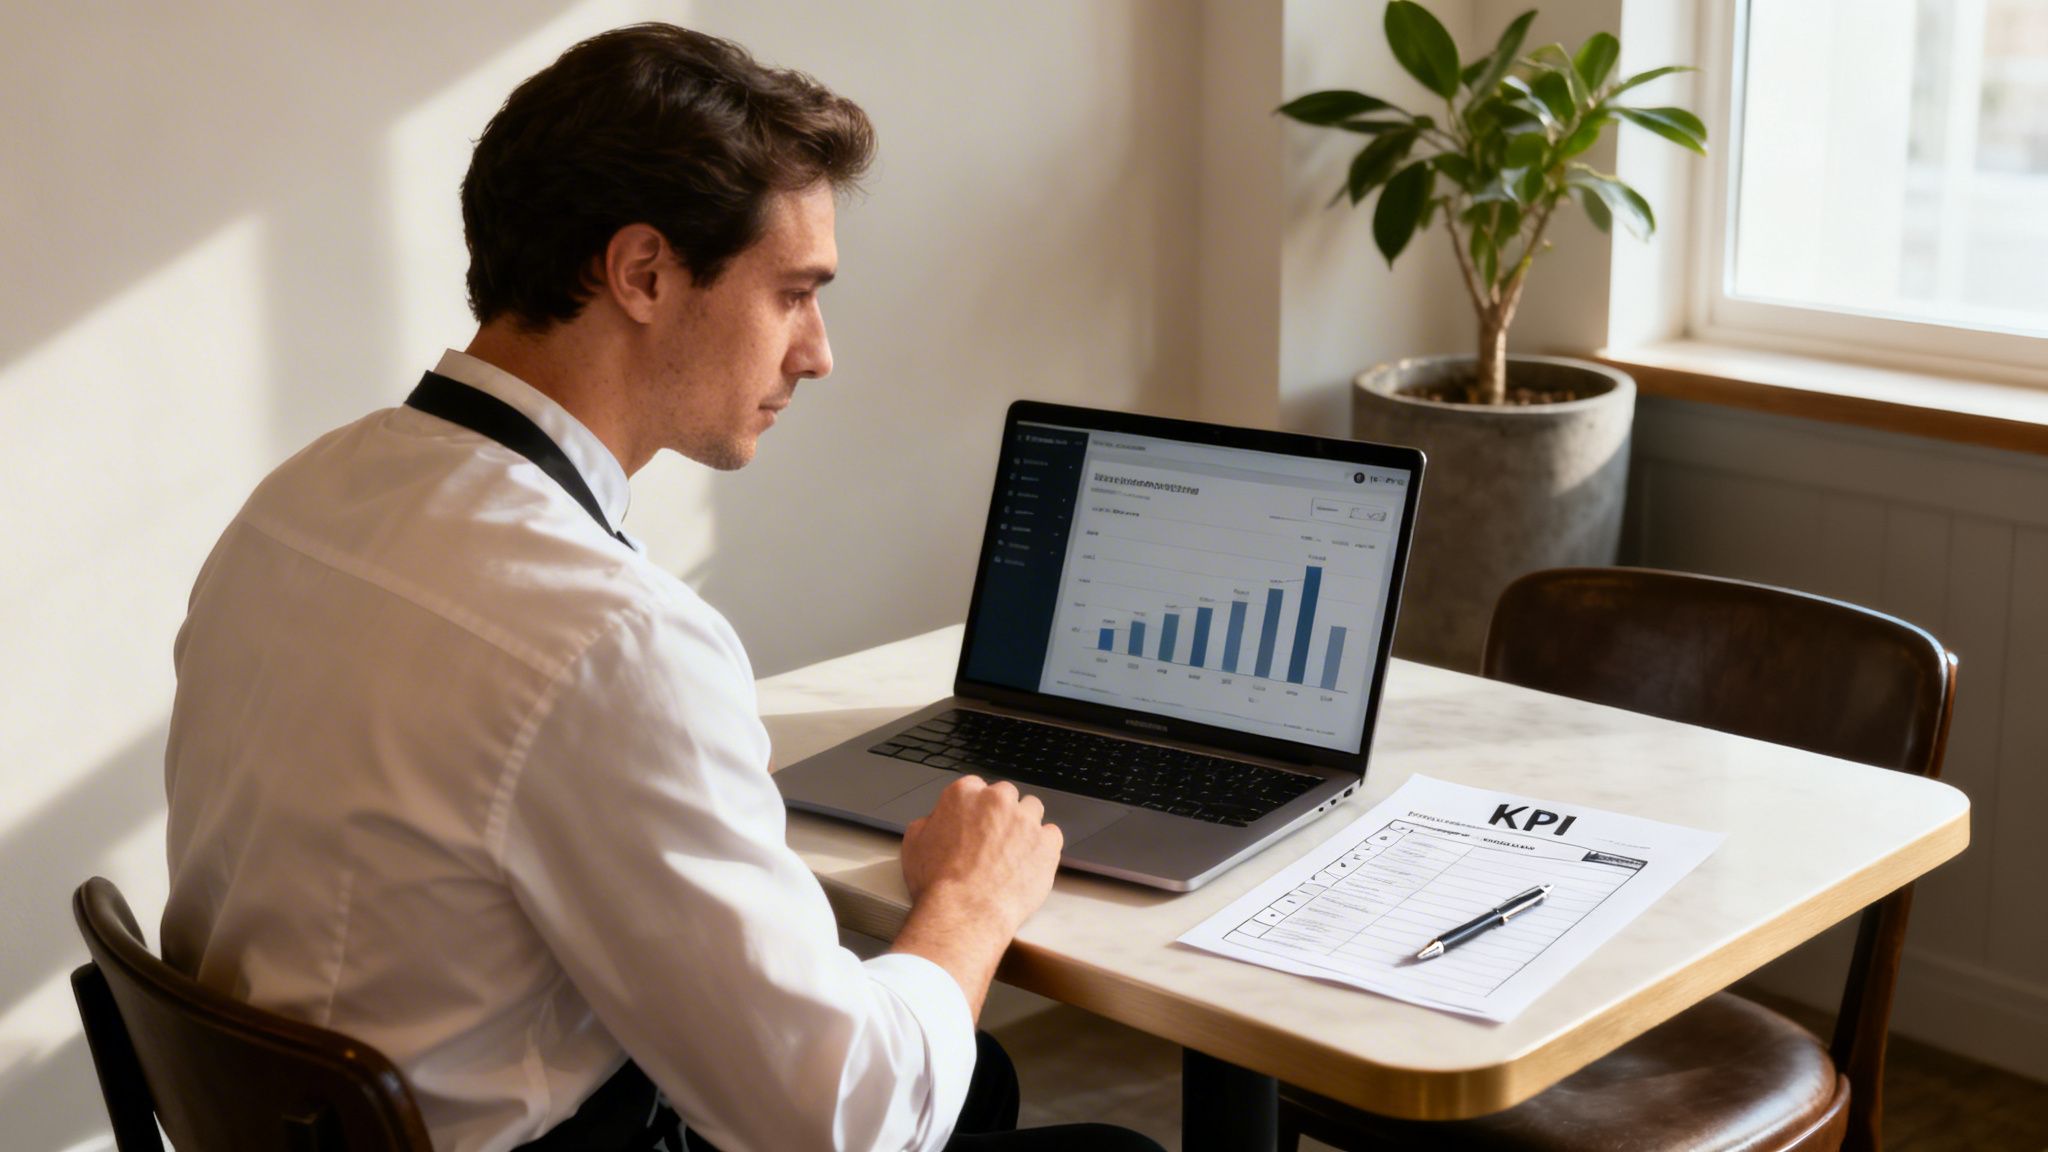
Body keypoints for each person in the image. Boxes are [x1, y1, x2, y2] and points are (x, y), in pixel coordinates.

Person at [160, 23, 1164, 1152]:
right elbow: (843, 1126)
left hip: (311, 1122)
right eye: (792, 293)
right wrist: (971, 902)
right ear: (643, 273)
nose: (817, 351)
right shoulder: (609, 638)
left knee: (968, 1078)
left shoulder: (297, 505)